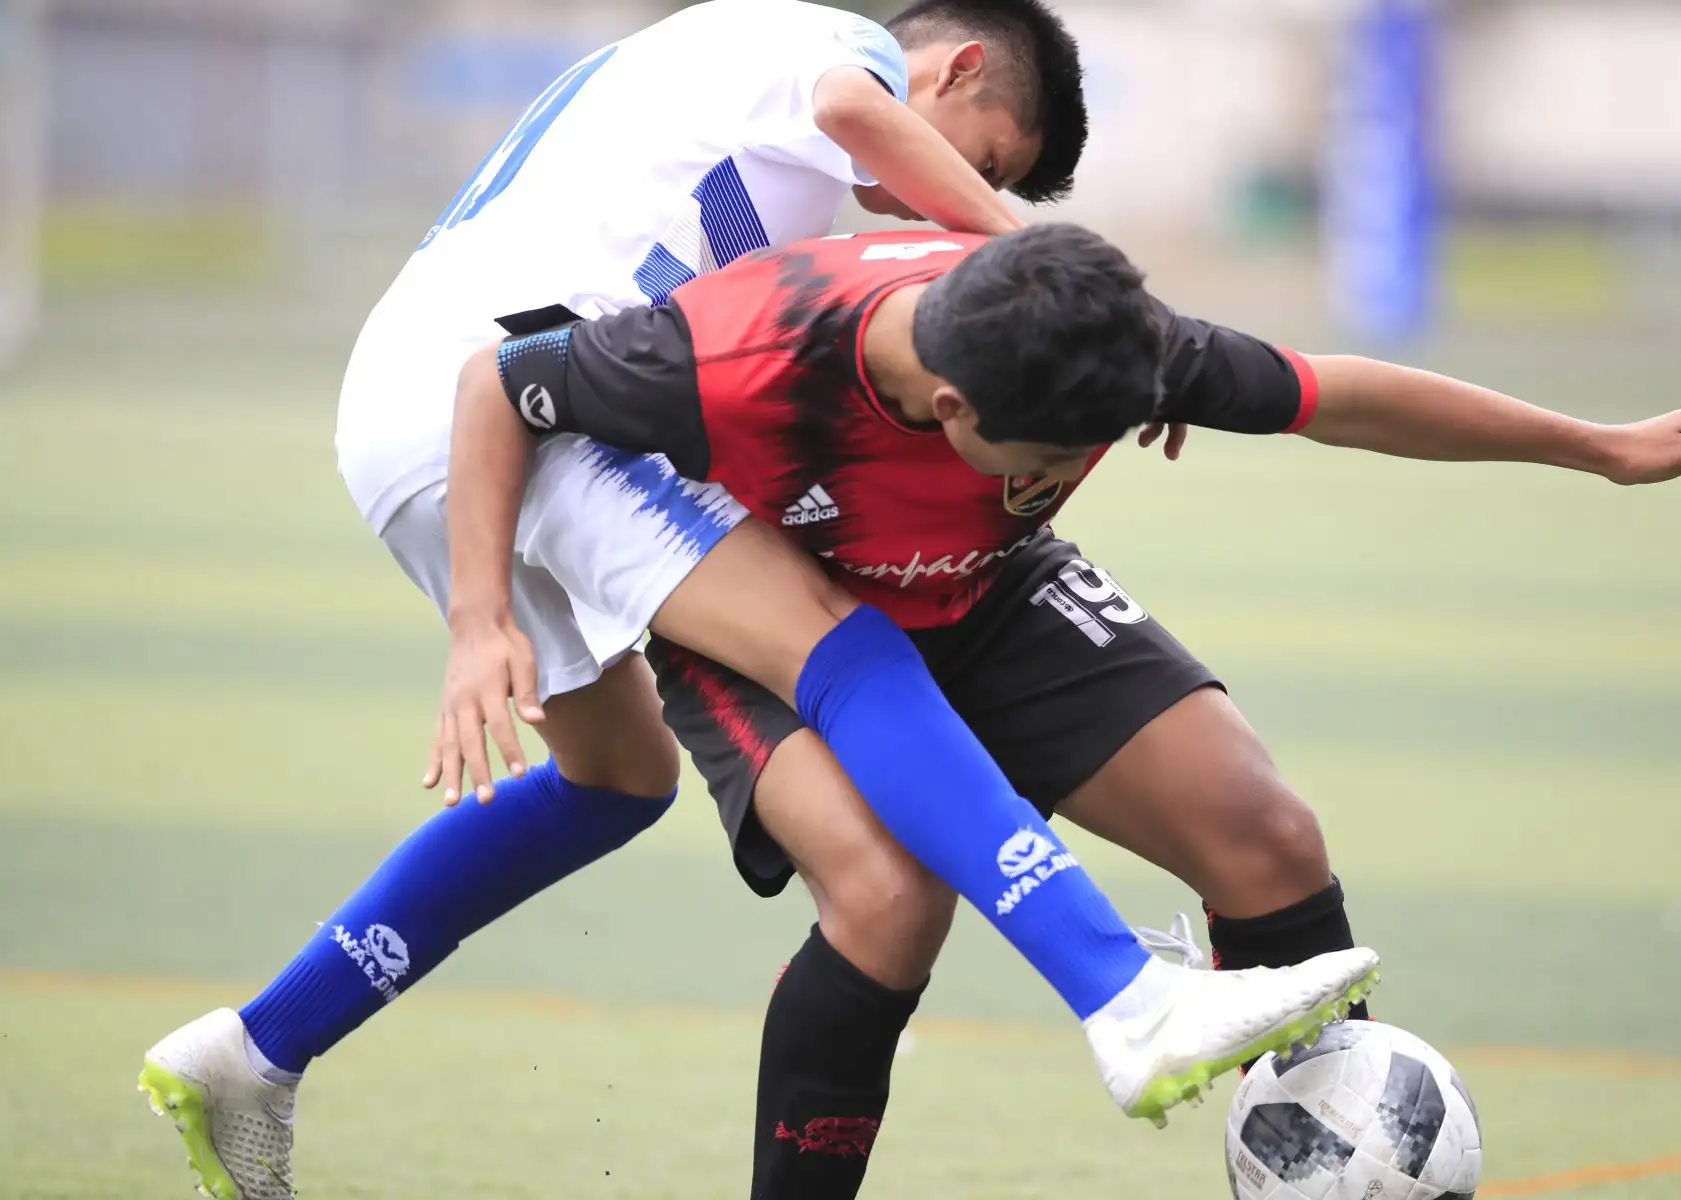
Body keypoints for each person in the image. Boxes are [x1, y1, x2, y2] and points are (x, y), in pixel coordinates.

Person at [136, 10, 1379, 1194]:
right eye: (984, 163)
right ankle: (1127, 1000)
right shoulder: (838, 49)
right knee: (839, 649)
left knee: (613, 781)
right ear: (947, 75)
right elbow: (853, 106)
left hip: (435, 403)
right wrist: (1046, 272)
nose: (945, 198)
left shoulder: (714, 98)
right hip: (499, 397)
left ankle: (257, 1050)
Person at [443, 223, 1681, 1197]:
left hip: (988, 596)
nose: (1076, 472)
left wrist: (1603, 446)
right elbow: (497, 387)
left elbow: (1332, 395)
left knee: (1267, 839)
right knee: (893, 901)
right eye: (1053, 458)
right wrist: (480, 618)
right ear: (950, 407)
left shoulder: (1095, 339)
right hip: (758, 626)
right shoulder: (721, 363)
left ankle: (1325, 1172)